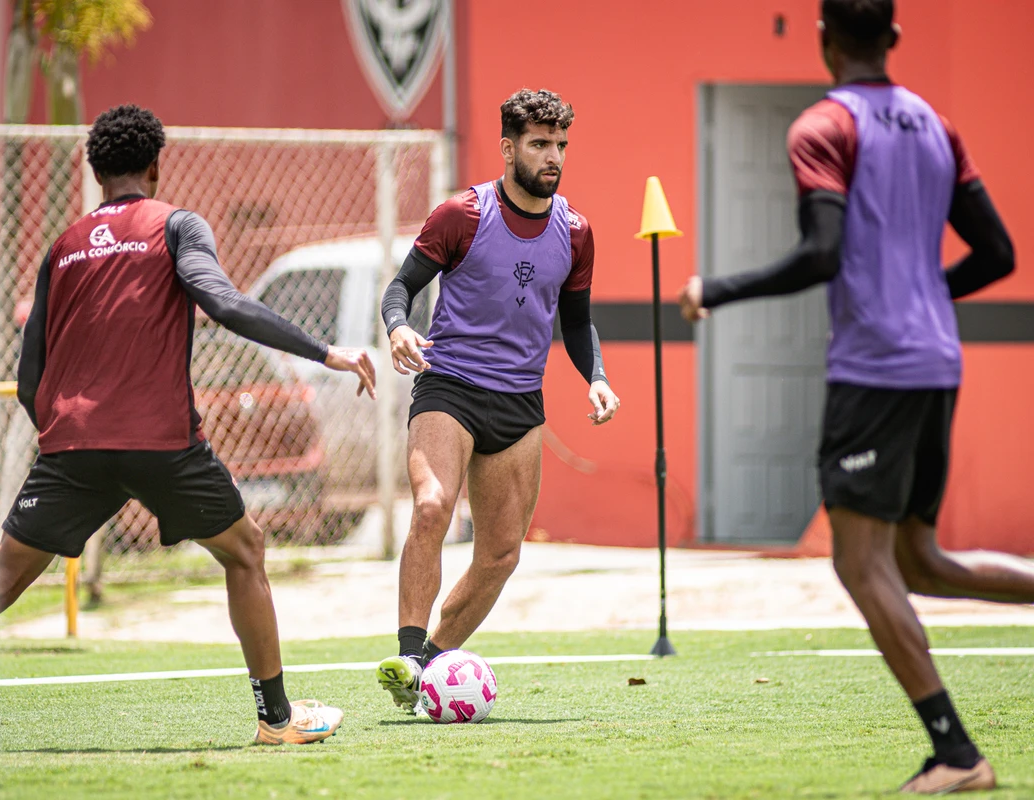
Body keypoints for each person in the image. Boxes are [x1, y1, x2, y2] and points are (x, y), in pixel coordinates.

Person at [0, 104, 376, 751]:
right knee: (245, 551)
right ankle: (277, 721)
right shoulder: (177, 226)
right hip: (163, 442)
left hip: (72, 445)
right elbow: (220, 301)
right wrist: (326, 352)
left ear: (95, 172)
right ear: (157, 167)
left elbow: (29, 378)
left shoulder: (63, 248)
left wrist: (68, 438)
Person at [678, 1, 1032, 792]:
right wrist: (925, 294)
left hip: (877, 369)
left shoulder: (823, 127)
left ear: (823, 39)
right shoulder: (937, 125)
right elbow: (1000, 253)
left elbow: (822, 254)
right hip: (937, 363)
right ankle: (955, 752)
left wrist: (716, 289)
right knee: (921, 561)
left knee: (860, 562)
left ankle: (956, 753)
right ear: (895, 38)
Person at [375, 88, 620, 711]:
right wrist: (400, 328)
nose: (553, 157)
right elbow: (400, 289)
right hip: (450, 385)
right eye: (540, 144)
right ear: (508, 147)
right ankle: (406, 652)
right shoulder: (461, 214)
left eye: (560, 144)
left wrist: (595, 376)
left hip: (519, 404)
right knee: (432, 506)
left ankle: (426, 669)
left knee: (502, 554)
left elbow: (576, 322)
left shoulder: (576, 231)